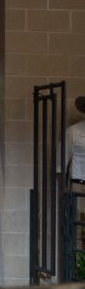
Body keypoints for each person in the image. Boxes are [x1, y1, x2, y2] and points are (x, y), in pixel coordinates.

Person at [60, 96, 85, 248]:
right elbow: (60, 163)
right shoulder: (73, 132)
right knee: (77, 227)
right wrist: (63, 189)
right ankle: (77, 267)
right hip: (78, 185)